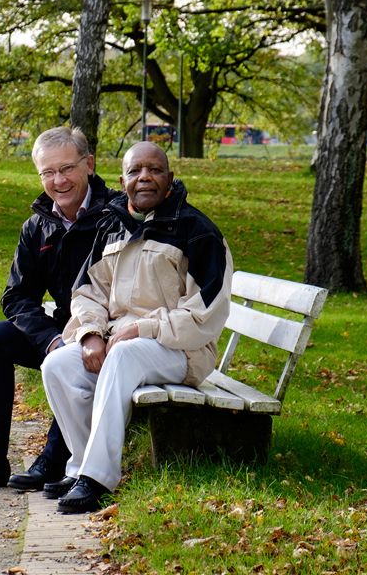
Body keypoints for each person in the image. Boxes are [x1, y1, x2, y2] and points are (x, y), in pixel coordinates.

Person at [41, 141, 233, 514]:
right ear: (122, 180)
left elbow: (203, 316)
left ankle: (98, 479)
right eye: (135, 171)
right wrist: (91, 334)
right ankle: (81, 465)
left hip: (182, 350)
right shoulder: (113, 226)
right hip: (118, 343)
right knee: (58, 365)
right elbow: (86, 292)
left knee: (125, 356)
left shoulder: (197, 232)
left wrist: (140, 330)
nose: (144, 177)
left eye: (154, 170)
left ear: (170, 179)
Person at [0, 126, 118, 493]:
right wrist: (50, 340)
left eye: (67, 169)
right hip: (63, 333)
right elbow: (17, 296)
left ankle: (52, 462)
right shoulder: (38, 225)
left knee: (73, 362)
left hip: (109, 336)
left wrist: (87, 335)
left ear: (90, 165)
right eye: (48, 172)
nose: (58, 180)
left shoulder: (115, 217)